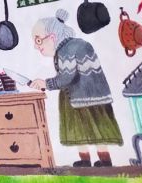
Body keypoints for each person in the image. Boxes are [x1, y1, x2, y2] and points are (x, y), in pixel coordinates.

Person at [29, 9, 123, 167]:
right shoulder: (77, 45)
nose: (36, 46)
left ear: (52, 38)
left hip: (80, 98)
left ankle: (94, 161)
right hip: (95, 95)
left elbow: (67, 77)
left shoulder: (66, 51)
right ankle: (100, 161)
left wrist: (46, 84)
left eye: (38, 40)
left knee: (81, 131)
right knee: (96, 131)